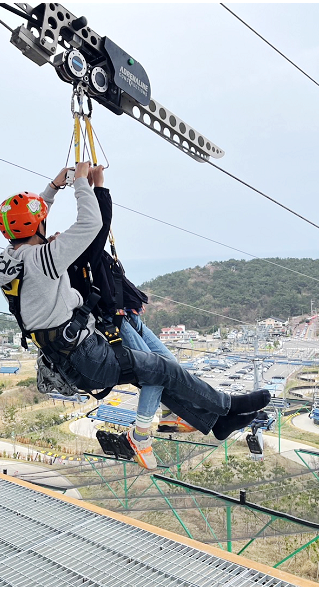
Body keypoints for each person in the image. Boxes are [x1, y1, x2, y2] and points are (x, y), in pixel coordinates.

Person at [0, 163, 270, 469]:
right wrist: (80, 182)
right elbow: (91, 222)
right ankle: (227, 405)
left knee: (156, 372)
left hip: (70, 356)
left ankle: (217, 422)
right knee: (162, 369)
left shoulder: (8, 261)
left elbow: (30, 223)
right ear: (38, 226)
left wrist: (53, 188)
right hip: (87, 355)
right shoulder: (45, 258)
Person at [64, 164, 195, 447]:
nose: (58, 237)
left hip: (128, 316)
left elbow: (92, 225)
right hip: (115, 321)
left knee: (170, 365)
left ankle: (172, 415)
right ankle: (140, 434)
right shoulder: (77, 259)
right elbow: (97, 223)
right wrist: (96, 187)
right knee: (154, 373)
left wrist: (88, 187)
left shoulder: (84, 257)